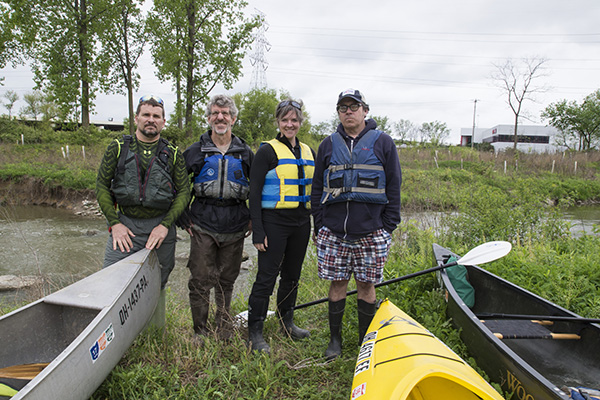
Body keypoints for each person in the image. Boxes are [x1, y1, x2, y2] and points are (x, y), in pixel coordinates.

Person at [311, 89, 402, 360]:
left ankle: (365, 343)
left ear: (365, 110)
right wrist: (320, 224)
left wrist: (388, 226)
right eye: (343, 108)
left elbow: (394, 185)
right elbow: (317, 188)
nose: (348, 111)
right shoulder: (328, 145)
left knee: (366, 285)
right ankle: (335, 341)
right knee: (337, 284)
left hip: (372, 233)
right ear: (338, 113)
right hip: (334, 232)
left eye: (354, 106)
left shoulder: (383, 142)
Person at [96, 95, 190, 322]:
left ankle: (155, 333)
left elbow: (184, 192)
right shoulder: (117, 148)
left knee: (157, 282)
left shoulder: (174, 154)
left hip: (160, 229)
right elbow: (101, 185)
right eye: (146, 115)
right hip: (125, 226)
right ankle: (111, 333)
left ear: (163, 122)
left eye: (156, 116)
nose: (151, 120)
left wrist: (165, 226)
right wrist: (114, 223)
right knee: (111, 281)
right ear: (136, 118)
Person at [179, 94, 254, 342]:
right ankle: (199, 331)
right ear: (209, 118)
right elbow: (177, 187)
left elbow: (260, 187)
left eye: (225, 113)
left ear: (233, 118)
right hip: (202, 224)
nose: (220, 117)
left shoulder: (245, 153)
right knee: (200, 279)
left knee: (226, 280)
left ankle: (223, 329)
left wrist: (254, 217)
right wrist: (182, 216)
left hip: (235, 223)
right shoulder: (194, 151)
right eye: (215, 113)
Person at [247, 99, 316, 353]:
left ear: (300, 122)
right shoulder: (267, 151)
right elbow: (254, 193)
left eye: (294, 120)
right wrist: (258, 230)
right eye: (285, 120)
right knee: (266, 278)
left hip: (301, 222)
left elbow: (315, 193)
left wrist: (317, 226)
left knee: (292, 276)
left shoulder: (309, 151)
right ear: (278, 122)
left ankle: (287, 322)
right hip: (274, 222)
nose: (290, 124)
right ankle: (255, 332)